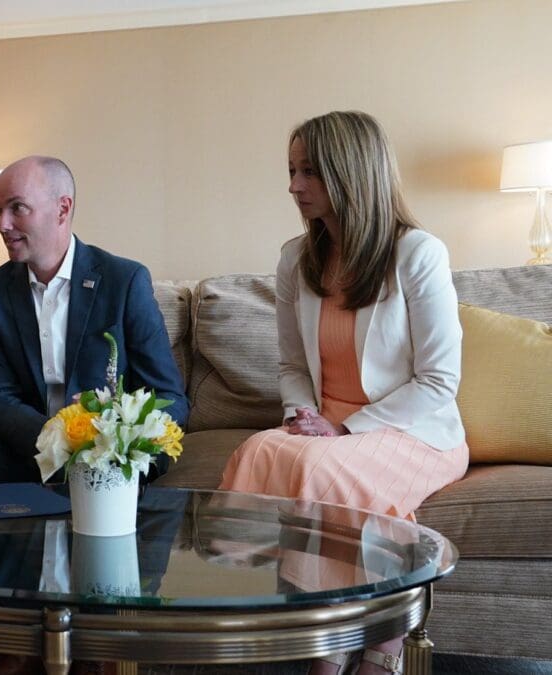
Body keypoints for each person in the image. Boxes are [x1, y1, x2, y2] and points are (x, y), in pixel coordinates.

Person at [218, 111, 469, 675]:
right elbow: (291, 365)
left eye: (309, 171)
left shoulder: (418, 254)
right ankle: (311, 626)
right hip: (324, 426)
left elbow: (439, 381)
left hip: (413, 431)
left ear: (350, 173)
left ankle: (344, 646)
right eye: (291, 169)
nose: (293, 185)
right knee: (259, 450)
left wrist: (344, 430)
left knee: (318, 473)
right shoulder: (295, 259)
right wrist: (304, 415)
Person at [0, 155, 188, 489]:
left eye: (17, 208)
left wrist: (123, 444)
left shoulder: (123, 281)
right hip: (26, 443)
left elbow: (168, 395)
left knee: (90, 487)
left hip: (107, 448)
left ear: (62, 209)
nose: (2, 224)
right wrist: (58, 442)